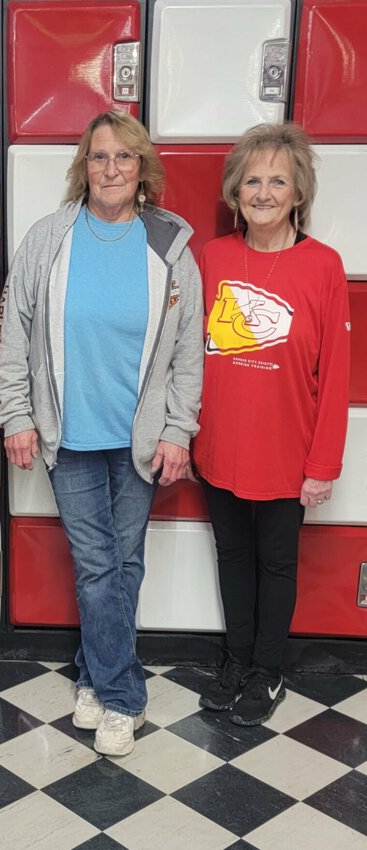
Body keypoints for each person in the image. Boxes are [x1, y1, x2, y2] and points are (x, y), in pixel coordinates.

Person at [0, 110, 203, 756]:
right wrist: (18, 413)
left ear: (142, 170)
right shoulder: (48, 238)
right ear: (82, 167)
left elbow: (187, 353)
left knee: (124, 562)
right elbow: (15, 332)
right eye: (98, 157)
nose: (109, 168)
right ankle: (123, 697)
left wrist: (178, 430)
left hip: (137, 440)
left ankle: (92, 675)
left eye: (123, 157)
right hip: (71, 435)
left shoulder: (168, 246)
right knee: (96, 563)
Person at [194, 123, 350, 725]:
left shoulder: (323, 266)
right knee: (232, 555)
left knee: (277, 563)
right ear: (235, 192)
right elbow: (189, 355)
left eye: (277, 180)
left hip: (288, 452)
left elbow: (335, 377)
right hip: (220, 446)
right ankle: (235, 661)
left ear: (297, 193)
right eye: (252, 180)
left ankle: (267, 672)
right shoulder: (213, 257)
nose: (263, 192)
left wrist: (322, 465)